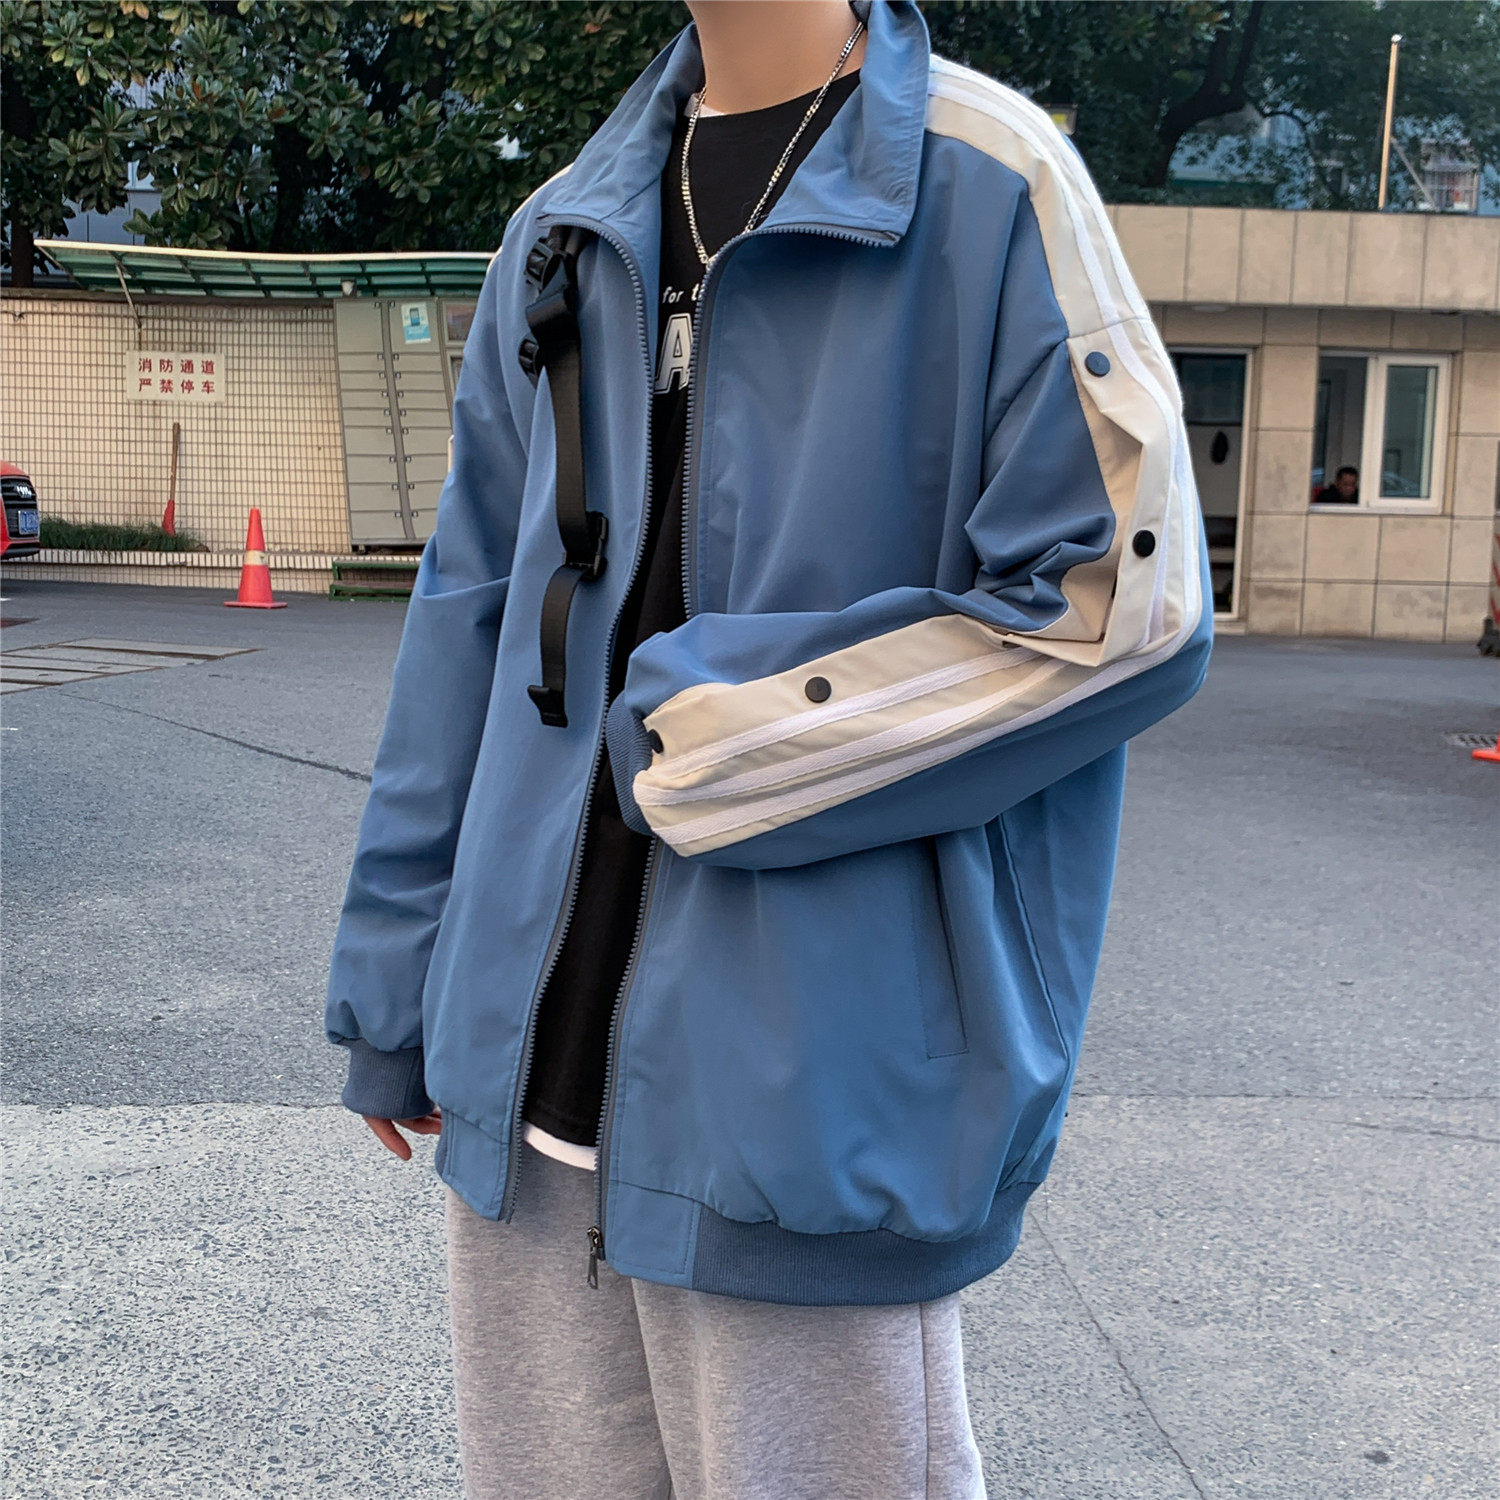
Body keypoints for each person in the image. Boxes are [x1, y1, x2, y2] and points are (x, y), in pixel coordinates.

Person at [324, 2, 1213, 1495]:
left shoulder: (990, 184)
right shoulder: (564, 226)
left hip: (813, 1105)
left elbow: (1126, 604)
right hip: (522, 1098)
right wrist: (398, 990)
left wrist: (729, 736)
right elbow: (467, 618)